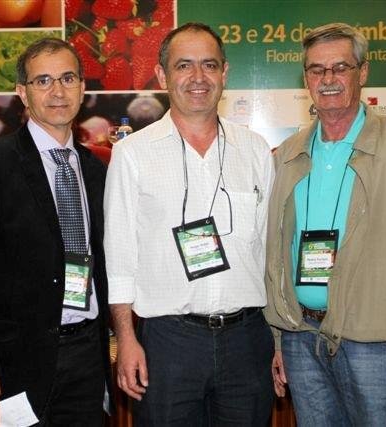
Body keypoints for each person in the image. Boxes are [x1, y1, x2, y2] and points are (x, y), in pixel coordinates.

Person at [264, 23, 386, 426]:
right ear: (306, 78)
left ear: (363, 72)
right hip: (302, 338)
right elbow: (274, 250)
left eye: (340, 68)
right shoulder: (288, 154)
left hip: (375, 342)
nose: (328, 79)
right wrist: (279, 336)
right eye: (317, 69)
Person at [104, 22, 275, 425]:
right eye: (184, 66)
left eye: (209, 65)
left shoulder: (254, 150)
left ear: (224, 73)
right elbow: (120, 256)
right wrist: (126, 338)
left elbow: (270, 252)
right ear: (162, 76)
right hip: (169, 343)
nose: (198, 77)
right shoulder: (132, 154)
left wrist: (279, 339)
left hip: (246, 341)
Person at [0, 38, 111, 426]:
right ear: (22, 92)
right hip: (12, 364)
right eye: (43, 81)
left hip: (86, 357)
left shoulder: (95, 169)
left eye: (67, 78)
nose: (57, 91)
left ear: (82, 87)